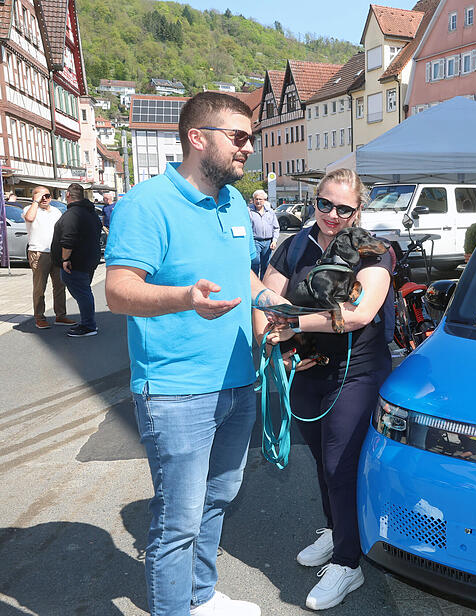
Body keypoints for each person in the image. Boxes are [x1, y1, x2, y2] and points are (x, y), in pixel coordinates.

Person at [104, 92, 286, 616]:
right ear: (197, 137)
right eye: (239, 137)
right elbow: (118, 291)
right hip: (176, 392)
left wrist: (274, 308)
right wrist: (183, 298)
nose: (248, 148)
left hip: (236, 382)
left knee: (217, 501)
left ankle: (200, 598)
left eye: (250, 138)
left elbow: (244, 277)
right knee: (176, 522)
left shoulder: (233, 203)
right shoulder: (146, 203)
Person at [259, 167, 393, 611]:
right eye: (324, 204)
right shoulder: (293, 244)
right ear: (313, 201)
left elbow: (359, 313)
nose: (332, 215)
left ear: (359, 210)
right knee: (321, 459)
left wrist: (290, 323)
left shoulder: (375, 252)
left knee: (341, 465)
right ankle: (337, 530)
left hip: (355, 370)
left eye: (343, 208)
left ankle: (347, 563)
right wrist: (283, 346)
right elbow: (263, 295)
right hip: (307, 368)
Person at [51, 184, 102, 337]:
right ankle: (88, 322)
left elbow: (68, 239)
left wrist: (65, 258)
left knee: (82, 293)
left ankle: (89, 325)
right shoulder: (90, 212)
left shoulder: (73, 214)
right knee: (84, 292)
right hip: (89, 258)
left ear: (68, 195)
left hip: (76, 262)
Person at [22, 185, 75, 329]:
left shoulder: (56, 211)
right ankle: (39, 317)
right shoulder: (29, 209)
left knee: (59, 285)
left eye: (47, 196)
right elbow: (30, 218)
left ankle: (61, 315)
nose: (44, 199)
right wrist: (35, 202)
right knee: (40, 287)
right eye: (41, 196)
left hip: (55, 252)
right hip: (38, 252)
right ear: (34, 197)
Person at [248, 189, 279, 276]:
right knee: (255, 264)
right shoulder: (249, 211)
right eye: (256, 199)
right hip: (255, 242)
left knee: (266, 265)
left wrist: (274, 240)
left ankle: (263, 285)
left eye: (260, 199)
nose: (258, 201)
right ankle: (254, 286)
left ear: (265, 200)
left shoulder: (270, 212)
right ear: (253, 200)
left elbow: (276, 227)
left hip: (268, 243)